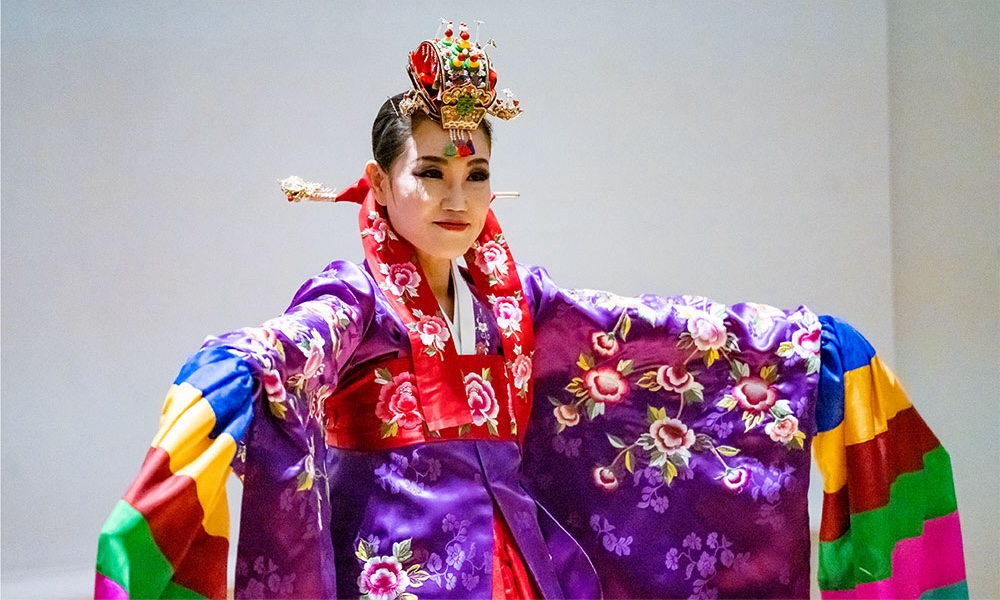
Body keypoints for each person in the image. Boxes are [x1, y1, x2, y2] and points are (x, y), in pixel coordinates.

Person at [95, 21, 968, 600]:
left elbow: (652, 336)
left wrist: (796, 351)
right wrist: (236, 370)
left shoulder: (518, 298)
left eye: (473, 174)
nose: (454, 196)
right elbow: (292, 349)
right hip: (404, 572)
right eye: (430, 172)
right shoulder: (352, 299)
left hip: (521, 564)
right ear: (379, 184)